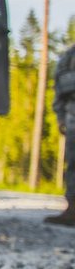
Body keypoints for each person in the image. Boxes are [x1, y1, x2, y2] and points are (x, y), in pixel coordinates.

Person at [50, 44, 75, 226]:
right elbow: (60, 89)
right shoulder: (69, 56)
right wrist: (60, 117)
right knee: (73, 163)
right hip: (73, 116)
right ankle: (72, 209)